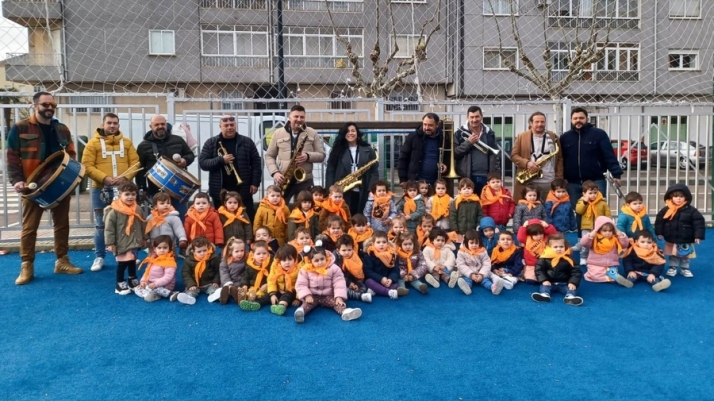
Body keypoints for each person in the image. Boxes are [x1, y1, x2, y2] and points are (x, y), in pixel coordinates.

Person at [7, 91, 83, 285]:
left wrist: (71, 177)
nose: (49, 108)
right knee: (29, 228)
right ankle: (27, 265)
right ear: (35, 105)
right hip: (32, 187)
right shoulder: (20, 128)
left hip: (59, 185)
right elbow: (12, 156)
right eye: (45, 105)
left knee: (62, 224)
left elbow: (71, 154)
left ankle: (62, 261)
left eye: (52, 105)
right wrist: (17, 180)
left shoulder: (62, 129)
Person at [82, 112, 141, 272]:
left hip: (124, 190)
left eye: (115, 123)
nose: (112, 126)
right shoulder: (92, 144)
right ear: (103, 124)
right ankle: (99, 256)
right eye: (109, 123)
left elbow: (135, 163)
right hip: (100, 188)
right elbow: (86, 165)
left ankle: (131, 253)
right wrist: (104, 178)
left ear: (118, 125)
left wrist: (125, 178)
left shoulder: (127, 143)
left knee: (128, 222)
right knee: (101, 224)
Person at [560, 107, 622, 235]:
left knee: (598, 211)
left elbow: (608, 154)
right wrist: (562, 178)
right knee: (580, 212)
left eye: (581, 118)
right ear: (571, 120)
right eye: (575, 118)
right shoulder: (565, 137)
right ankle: (581, 240)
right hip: (573, 182)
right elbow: (561, 160)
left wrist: (616, 173)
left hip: (596, 180)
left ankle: (600, 238)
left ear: (587, 119)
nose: (578, 121)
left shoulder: (599, 134)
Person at [198, 114, 261, 220]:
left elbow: (256, 163)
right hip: (220, 191)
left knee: (247, 217)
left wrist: (255, 182)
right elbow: (203, 163)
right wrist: (221, 160)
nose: (229, 127)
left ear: (235, 125)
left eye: (232, 125)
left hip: (243, 190)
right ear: (220, 126)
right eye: (226, 125)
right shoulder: (211, 143)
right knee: (221, 220)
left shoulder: (247, 142)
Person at [136, 115, 195, 219]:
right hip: (155, 190)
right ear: (151, 126)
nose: (160, 126)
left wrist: (185, 160)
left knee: (180, 219)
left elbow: (190, 155)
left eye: (162, 124)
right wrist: (142, 188)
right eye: (156, 124)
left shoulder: (178, 140)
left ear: (166, 125)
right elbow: (140, 169)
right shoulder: (143, 146)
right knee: (159, 221)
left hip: (178, 189)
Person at [264, 105, 326, 203]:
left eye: (302, 117)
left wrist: (308, 156)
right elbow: (269, 156)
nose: (299, 119)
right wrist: (275, 172)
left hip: (305, 180)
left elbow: (322, 155)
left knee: (305, 210)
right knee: (280, 210)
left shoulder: (312, 133)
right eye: (296, 116)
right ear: (289, 117)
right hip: (284, 179)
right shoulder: (278, 133)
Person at [294, 245, 362, 323]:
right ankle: (300, 312)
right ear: (310, 261)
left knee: (337, 303)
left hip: (328, 295)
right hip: (312, 296)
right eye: (316, 260)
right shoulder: (305, 270)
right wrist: (307, 295)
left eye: (322, 259)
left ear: (326, 257)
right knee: (306, 304)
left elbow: (339, 283)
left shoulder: (334, 268)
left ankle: (345, 312)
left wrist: (339, 297)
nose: (320, 262)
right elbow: (301, 284)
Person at [324, 122, 379, 215]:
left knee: (360, 218)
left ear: (357, 133)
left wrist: (371, 189)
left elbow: (374, 171)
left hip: (363, 189)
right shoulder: (337, 150)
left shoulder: (368, 149)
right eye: (347, 131)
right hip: (343, 189)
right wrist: (330, 189)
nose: (350, 133)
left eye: (353, 131)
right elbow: (330, 170)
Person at [104, 181, 147, 295]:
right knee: (122, 264)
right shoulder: (114, 211)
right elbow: (109, 229)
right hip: (121, 242)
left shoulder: (138, 209)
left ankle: (132, 278)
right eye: (127, 194)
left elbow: (143, 225)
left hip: (134, 241)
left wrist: (144, 238)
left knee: (132, 261)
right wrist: (110, 243)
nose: (130, 197)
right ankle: (119, 282)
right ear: (120, 195)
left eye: (133, 194)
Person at [510, 111, 563, 201]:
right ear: (531, 123)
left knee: (549, 209)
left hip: (548, 180)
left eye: (542, 122)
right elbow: (514, 155)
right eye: (537, 122)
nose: (540, 124)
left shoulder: (553, 137)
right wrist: (527, 163)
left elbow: (559, 158)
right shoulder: (521, 136)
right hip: (529, 181)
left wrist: (559, 177)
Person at [655, 184, 705, 278]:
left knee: (685, 254)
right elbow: (660, 221)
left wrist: (698, 236)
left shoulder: (691, 210)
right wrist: (660, 232)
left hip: (686, 236)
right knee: (673, 253)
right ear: (670, 197)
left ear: (686, 197)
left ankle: (684, 268)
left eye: (681, 196)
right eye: (676, 196)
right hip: (671, 236)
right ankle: (672, 267)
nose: (678, 199)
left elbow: (698, 223)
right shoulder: (666, 209)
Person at [454, 106, 501, 195]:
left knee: (485, 205)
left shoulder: (489, 133)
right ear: (467, 117)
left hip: (486, 177)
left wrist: (496, 175)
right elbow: (454, 153)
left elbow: (495, 156)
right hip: (467, 177)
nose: (474, 120)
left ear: (481, 117)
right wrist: (468, 142)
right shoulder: (459, 134)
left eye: (477, 116)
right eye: (472, 117)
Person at [397, 113, 451, 189]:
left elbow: (448, 156)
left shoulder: (444, 138)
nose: (427, 127)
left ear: (437, 125)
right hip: (416, 181)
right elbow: (403, 158)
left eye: (430, 125)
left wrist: (445, 164)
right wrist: (402, 179)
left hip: (436, 183)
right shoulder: (413, 137)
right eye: (425, 124)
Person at [530, 234, 584, 306]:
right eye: (555, 247)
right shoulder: (544, 258)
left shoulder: (569, 259)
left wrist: (572, 282)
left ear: (565, 247)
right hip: (549, 282)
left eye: (561, 246)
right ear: (549, 247)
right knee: (544, 287)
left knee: (571, 288)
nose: (559, 249)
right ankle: (544, 295)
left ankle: (570, 297)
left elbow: (576, 271)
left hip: (564, 283)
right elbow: (539, 270)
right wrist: (544, 280)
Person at [580, 216, 630, 284]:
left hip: (611, 264)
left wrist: (620, 234)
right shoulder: (594, 239)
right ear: (599, 230)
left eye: (610, 231)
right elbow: (584, 243)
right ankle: (611, 277)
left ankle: (612, 276)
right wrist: (591, 235)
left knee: (611, 271)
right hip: (596, 264)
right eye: (605, 231)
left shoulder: (615, 239)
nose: (608, 233)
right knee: (595, 275)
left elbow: (625, 245)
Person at [454, 230, 504, 296]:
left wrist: (481, 274)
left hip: (480, 272)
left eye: (476, 243)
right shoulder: (461, 252)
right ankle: (467, 287)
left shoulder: (482, 251)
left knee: (485, 280)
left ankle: (493, 287)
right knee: (466, 279)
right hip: (468, 273)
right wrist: (471, 274)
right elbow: (460, 265)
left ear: (479, 243)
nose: (474, 245)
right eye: (471, 243)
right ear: (466, 243)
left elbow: (487, 263)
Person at [574, 180, 611, 265]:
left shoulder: (602, 202)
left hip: (599, 228)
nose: (593, 195)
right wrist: (585, 202)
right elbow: (579, 211)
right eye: (590, 193)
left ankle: (595, 257)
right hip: (586, 227)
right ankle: (583, 257)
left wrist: (608, 222)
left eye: (595, 193)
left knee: (598, 243)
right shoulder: (581, 201)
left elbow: (607, 213)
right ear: (584, 194)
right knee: (585, 244)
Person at [177, 236, 222, 305]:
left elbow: (218, 270)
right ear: (193, 251)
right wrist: (190, 284)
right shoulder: (189, 260)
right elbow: (186, 273)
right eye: (199, 251)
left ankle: (214, 295)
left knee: (213, 289)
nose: (202, 253)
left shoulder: (214, 258)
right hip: (195, 284)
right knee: (191, 291)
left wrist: (216, 281)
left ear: (208, 248)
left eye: (205, 250)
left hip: (209, 283)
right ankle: (189, 298)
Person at [133, 235, 179, 302]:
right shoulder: (153, 259)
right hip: (151, 283)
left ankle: (170, 294)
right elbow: (147, 272)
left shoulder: (170, 261)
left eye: (165, 248)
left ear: (170, 249)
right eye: (159, 248)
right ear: (155, 249)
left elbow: (168, 277)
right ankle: (148, 295)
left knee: (153, 288)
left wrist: (156, 284)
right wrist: (143, 282)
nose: (162, 250)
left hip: (164, 285)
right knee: (137, 288)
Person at [363, 230, 405, 299]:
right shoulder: (369, 255)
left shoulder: (392, 254)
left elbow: (395, 269)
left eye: (384, 242)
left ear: (387, 244)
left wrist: (391, 279)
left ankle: (376, 289)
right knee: (368, 282)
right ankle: (388, 292)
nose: (381, 244)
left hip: (387, 280)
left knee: (395, 285)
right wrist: (381, 279)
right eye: (378, 242)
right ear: (373, 244)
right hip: (375, 279)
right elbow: (368, 271)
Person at [518, 219, 558, 284]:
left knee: (550, 277)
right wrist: (523, 227)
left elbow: (554, 235)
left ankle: (544, 278)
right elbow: (520, 237)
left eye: (541, 234)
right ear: (530, 234)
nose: (539, 236)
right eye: (535, 235)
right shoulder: (527, 239)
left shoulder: (545, 238)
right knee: (531, 280)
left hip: (545, 264)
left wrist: (548, 227)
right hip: (532, 264)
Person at [335, 235, 373, 303]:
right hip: (341, 281)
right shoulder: (336, 259)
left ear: (353, 248)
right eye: (344, 250)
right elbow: (338, 275)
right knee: (343, 290)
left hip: (352, 279)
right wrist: (349, 283)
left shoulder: (354, 256)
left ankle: (361, 292)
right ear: (338, 250)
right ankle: (360, 296)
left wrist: (355, 283)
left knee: (363, 285)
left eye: (349, 250)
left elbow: (357, 271)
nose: (347, 252)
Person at [266, 244, 302, 316]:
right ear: (279, 260)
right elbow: (271, 280)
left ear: (295, 259)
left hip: (292, 291)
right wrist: (272, 294)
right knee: (267, 296)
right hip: (279, 289)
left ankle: (281, 306)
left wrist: (298, 299)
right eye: (284, 260)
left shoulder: (300, 268)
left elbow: (302, 284)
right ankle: (257, 303)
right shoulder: (275, 266)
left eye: (290, 259)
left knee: (286, 296)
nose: (287, 262)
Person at [237, 240, 273, 310]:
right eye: (258, 254)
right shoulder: (250, 265)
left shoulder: (271, 264)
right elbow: (245, 276)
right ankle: (245, 298)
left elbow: (273, 276)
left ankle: (255, 302)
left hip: (265, 288)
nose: (261, 256)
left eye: (264, 253)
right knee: (247, 291)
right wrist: (244, 284)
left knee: (268, 295)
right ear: (253, 255)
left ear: (268, 254)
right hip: (253, 287)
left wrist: (268, 284)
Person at [448, 178, 483, 243]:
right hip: (460, 231)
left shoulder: (476, 202)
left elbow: (480, 215)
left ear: (472, 190)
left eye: (469, 188)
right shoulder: (456, 202)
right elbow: (452, 216)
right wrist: (455, 230)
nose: (466, 190)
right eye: (464, 189)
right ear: (459, 191)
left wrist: (478, 226)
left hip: (473, 230)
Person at [217, 237, 248, 305]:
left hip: (240, 282)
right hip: (229, 282)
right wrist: (229, 284)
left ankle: (238, 297)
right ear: (230, 251)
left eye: (242, 250)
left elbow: (246, 273)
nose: (240, 253)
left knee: (243, 290)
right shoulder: (225, 262)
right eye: (237, 251)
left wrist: (244, 284)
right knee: (224, 289)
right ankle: (224, 297)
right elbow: (224, 274)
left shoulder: (246, 260)